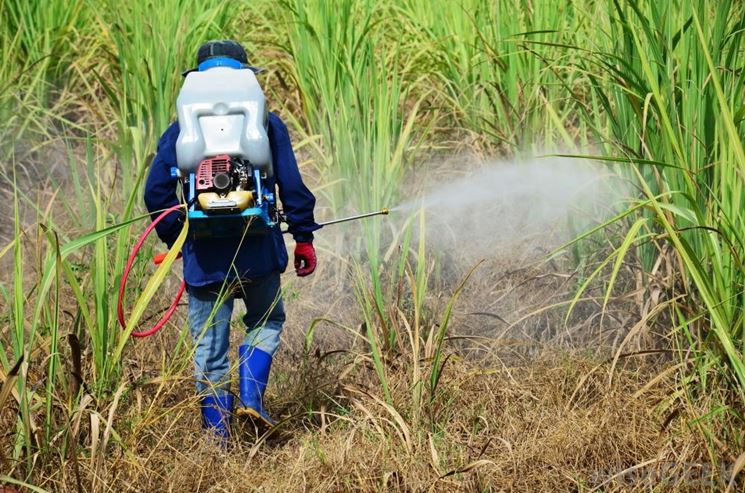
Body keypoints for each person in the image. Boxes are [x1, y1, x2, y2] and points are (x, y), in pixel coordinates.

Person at [144, 40, 319, 438]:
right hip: (259, 253)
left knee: (209, 349)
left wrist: (180, 238)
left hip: (205, 263)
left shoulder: (180, 131)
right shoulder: (266, 125)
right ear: (245, 77)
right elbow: (291, 186)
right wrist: (303, 238)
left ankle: (218, 441)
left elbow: (156, 194)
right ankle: (252, 402)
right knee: (266, 320)